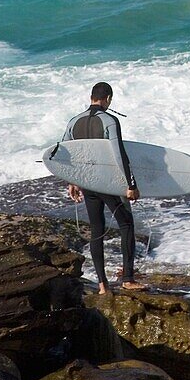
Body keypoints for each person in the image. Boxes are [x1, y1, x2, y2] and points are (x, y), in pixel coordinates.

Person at [62, 81, 146, 294]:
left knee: (96, 231)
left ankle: (102, 285)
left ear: (92, 97)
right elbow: (119, 154)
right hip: (109, 183)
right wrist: (131, 184)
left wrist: (72, 181)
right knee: (126, 224)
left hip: (88, 183)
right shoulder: (109, 120)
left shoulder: (74, 121)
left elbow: (65, 154)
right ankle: (127, 279)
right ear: (107, 98)